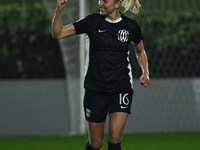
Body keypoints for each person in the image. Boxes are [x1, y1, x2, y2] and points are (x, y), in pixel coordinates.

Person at [52, 0, 150, 149]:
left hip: (121, 87)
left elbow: (140, 50)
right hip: (95, 89)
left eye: (105, 1)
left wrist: (145, 72)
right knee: (96, 143)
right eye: (100, 0)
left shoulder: (131, 26)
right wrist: (58, 10)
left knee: (115, 137)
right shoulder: (92, 22)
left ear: (117, 4)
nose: (100, 3)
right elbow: (58, 33)